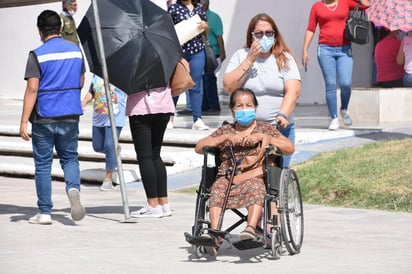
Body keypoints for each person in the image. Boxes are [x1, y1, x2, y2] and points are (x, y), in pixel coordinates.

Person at [194, 88, 295, 256]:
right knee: (217, 189)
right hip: (228, 177)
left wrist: (267, 139)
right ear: (233, 110)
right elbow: (199, 147)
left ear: (255, 107)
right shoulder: (226, 130)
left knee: (256, 187)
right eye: (239, 106)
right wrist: (223, 139)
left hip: (255, 175)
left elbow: (289, 147)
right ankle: (214, 235)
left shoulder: (265, 128)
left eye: (248, 105)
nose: (244, 109)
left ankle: (250, 228)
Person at [19, 10, 86, 224]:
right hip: (70, 113)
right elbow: (82, 81)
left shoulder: (37, 54)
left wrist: (23, 122)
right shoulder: (75, 51)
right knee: (70, 158)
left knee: (43, 164)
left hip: (44, 117)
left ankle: (45, 212)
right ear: (60, 28)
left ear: (40, 30)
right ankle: (73, 188)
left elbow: (32, 88)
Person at [223, 13, 301, 168]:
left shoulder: (285, 58)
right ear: (251, 36)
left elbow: (293, 91)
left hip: (277, 129)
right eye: (259, 34)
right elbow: (229, 86)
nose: (264, 37)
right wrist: (250, 60)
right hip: (246, 130)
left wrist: (283, 114)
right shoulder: (241, 56)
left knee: (276, 176)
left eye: (268, 33)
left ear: (275, 35)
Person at [302, 0, 370, 130]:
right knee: (331, 84)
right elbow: (311, 28)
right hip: (325, 49)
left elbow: (366, 5)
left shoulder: (345, 2)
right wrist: (305, 49)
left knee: (346, 83)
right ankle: (333, 118)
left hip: (344, 49)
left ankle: (344, 109)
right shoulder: (317, 7)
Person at [127, 87, 175, 218]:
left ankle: (153, 204)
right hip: (163, 105)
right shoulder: (165, 65)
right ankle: (164, 203)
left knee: (145, 157)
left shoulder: (134, 65)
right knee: (155, 154)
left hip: (141, 107)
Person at [168, 0, 210, 130]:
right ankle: (170, 118)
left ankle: (197, 119)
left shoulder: (199, 8)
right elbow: (167, 29)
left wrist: (205, 27)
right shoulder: (173, 8)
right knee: (177, 84)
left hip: (197, 51)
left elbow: (205, 32)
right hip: (179, 52)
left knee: (196, 85)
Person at [81, 75, 127, 191]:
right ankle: (114, 151)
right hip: (99, 116)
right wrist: (84, 102)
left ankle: (108, 178)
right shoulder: (97, 75)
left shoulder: (121, 73)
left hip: (115, 116)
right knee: (97, 146)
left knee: (108, 145)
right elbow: (91, 91)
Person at [200, 0, 226, 114]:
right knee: (203, 80)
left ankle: (214, 105)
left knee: (209, 79)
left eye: (205, 3)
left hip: (212, 53)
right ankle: (205, 105)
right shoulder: (195, 17)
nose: (203, 5)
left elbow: (219, 37)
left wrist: (222, 53)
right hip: (200, 53)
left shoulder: (214, 17)